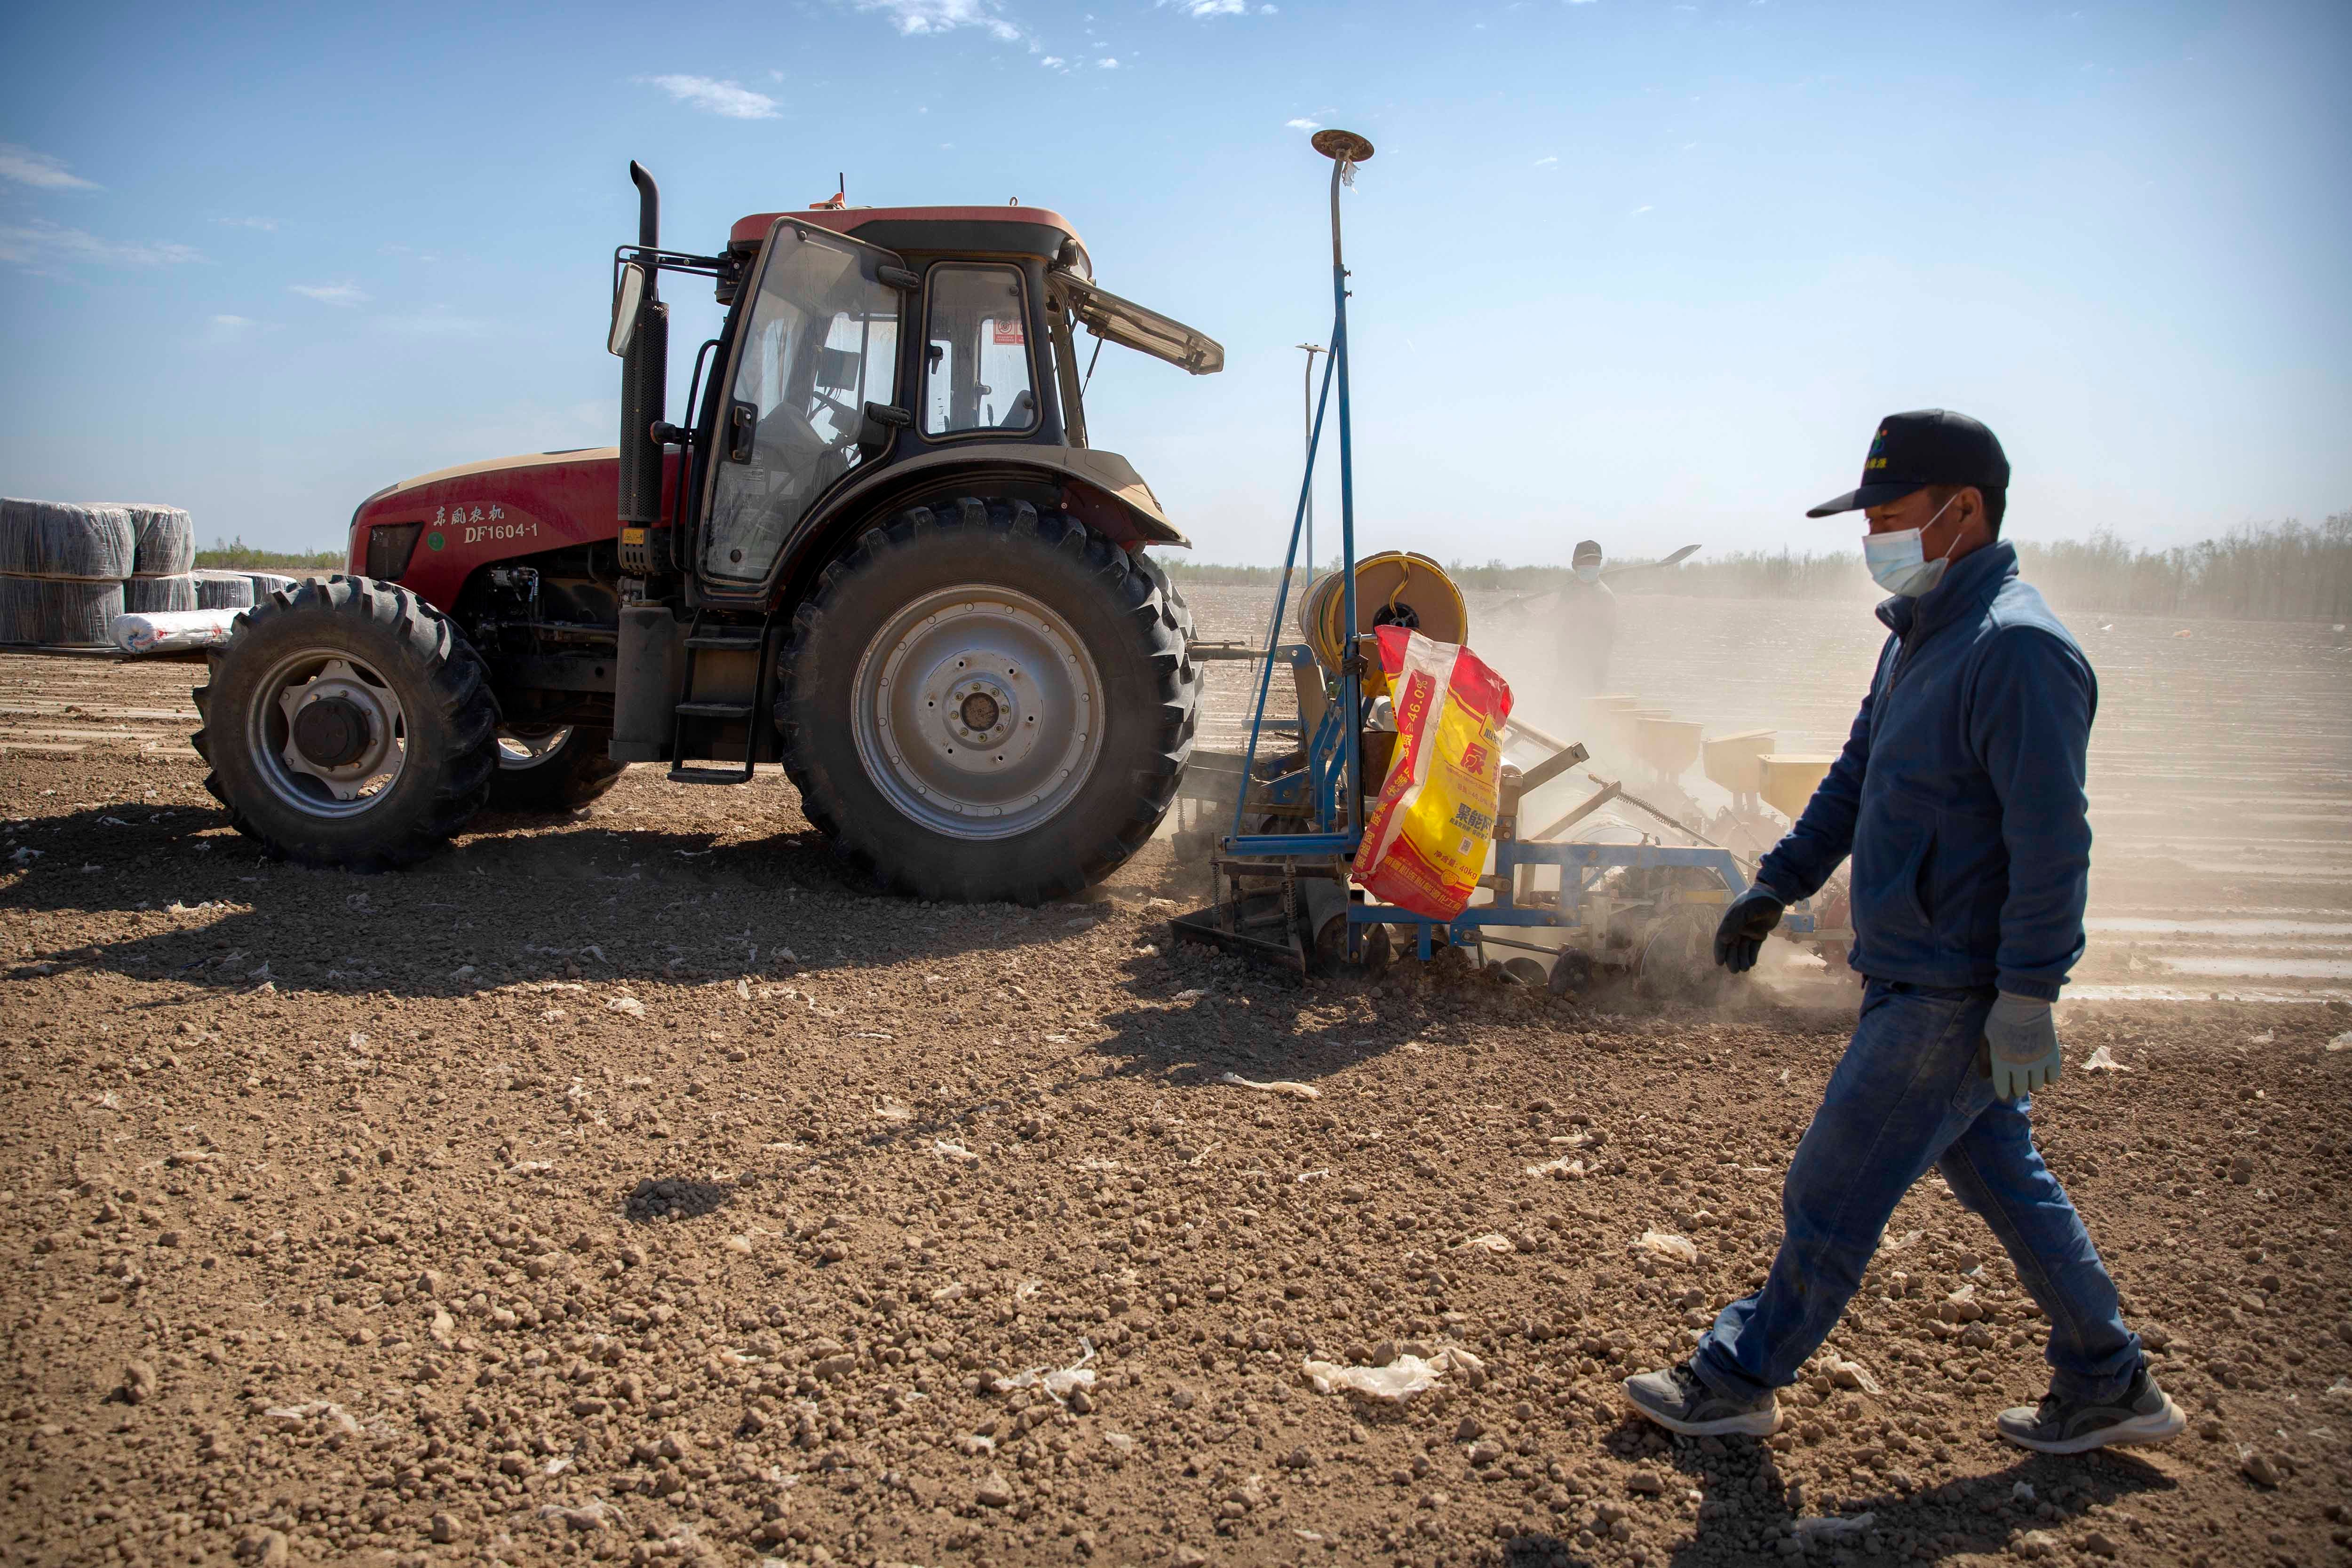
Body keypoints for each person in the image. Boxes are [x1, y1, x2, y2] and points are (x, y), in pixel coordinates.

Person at [1621, 409, 2185, 1456]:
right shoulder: (1921, 636)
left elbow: (2053, 844)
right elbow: (1855, 779)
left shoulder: (2017, 651)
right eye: (1865, 516)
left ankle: (1737, 1375)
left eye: (1888, 513)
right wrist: (1775, 885)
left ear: (1962, 509)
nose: (1869, 535)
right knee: (2005, 1182)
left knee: (1833, 1184)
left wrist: (2028, 993)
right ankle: (2109, 1380)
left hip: (1953, 985)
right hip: (1910, 968)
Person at [1555, 539, 1619, 697]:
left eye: (1595, 562)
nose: (1590, 565)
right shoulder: (1569, 591)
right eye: (1586, 561)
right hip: (1566, 668)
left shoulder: (1605, 596)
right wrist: (1524, 615)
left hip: (1592, 674)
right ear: (1574, 565)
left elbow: (1606, 640)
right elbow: (1553, 621)